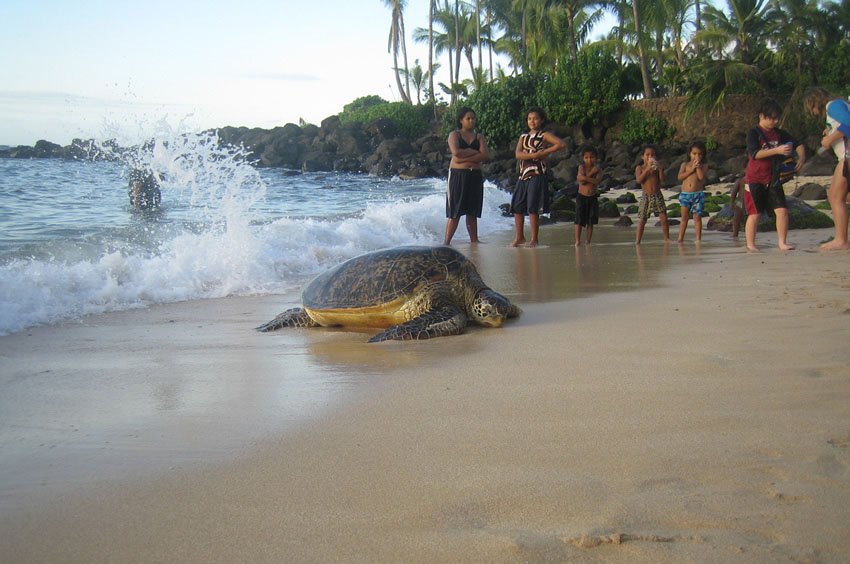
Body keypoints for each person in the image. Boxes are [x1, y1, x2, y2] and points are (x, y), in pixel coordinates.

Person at [743, 98, 806, 251]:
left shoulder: (780, 134)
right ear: (761, 116)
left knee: (782, 211)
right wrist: (777, 150)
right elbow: (755, 154)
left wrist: (801, 158)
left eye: (776, 118)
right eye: (770, 118)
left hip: (773, 178)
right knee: (755, 214)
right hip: (754, 179)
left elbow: (798, 144)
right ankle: (751, 245)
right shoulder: (753, 133)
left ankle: (782, 242)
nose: (774, 121)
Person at [510, 107, 566, 247]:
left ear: (541, 120)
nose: (532, 121)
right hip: (523, 175)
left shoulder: (543, 135)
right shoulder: (523, 137)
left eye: (535, 118)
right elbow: (518, 154)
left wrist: (544, 152)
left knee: (533, 207)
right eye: (529, 119)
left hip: (537, 173)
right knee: (517, 206)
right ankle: (520, 237)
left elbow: (561, 144)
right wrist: (533, 155)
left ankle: (534, 239)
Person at [804, 87, 850, 250]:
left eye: (812, 108)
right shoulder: (841, 104)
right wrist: (831, 131)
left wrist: (830, 138)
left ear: (815, 101)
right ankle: (842, 239)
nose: (814, 113)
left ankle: (841, 240)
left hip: (847, 157)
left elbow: (849, 122)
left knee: (835, 197)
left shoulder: (833, 105)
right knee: (841, 197)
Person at [444, 107, 489, 245]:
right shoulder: (454, 135)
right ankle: (446, 242)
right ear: (461, 120)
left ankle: (474, 240)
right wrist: (473, 154)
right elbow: (456, 153)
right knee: (455, 211)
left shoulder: (479, 137)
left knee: (472, 210)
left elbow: (485, 155)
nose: (471, 121)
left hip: (474, 175)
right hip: (458, 176)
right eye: (468, 118)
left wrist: (465, 155)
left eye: (473, 118)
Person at [634, 144, 669, 244]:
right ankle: (638, 240)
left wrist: (660, 170)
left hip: (657, 194)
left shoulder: (656, 168)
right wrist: (647, 169)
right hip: (646, 196)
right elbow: (639, 180)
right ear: (642, 157)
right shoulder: (640, 168)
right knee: (642, 220)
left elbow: (663, 181)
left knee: (663, 218)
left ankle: (666, 238)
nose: (650, 157)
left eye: (652, 155)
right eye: (647, 155)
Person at [676, 141, 708, 243]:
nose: (696, 156)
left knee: (697, 218)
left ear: (703, 155)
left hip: (698, 194)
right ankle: (680, 238)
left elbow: (701, 177)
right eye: (694, 154)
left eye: (699, 154)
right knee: (684, 218)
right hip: (685, 195)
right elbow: (680, 177)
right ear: (689, 154)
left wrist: (697, 167)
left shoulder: (704, 166)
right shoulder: (685, 165)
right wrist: (691, 170)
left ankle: (698, 238)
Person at [575, 145, 601, 246]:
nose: (589, 160)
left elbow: (597, 181)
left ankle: (588, 241)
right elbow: (582, 181)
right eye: (586, 157)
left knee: (591, 220)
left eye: (591, 157)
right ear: (583, 158)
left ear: (596, 158)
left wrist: (585, 178)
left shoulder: (598, 169)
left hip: (593, 197)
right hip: (581, 196)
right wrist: (591, 174)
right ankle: (577, 240)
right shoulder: (581, 167)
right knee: (579, 220)